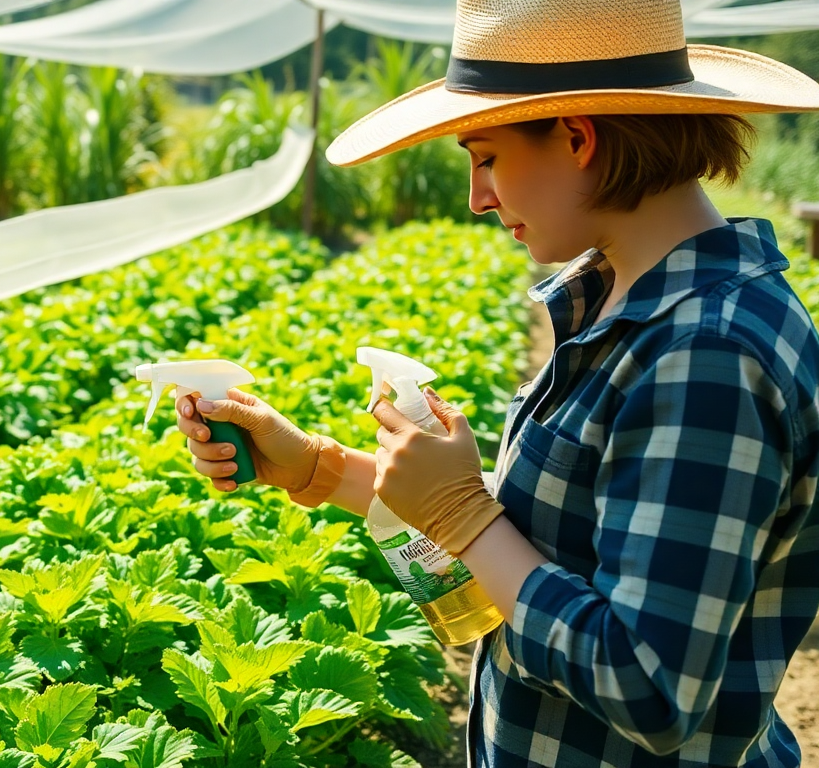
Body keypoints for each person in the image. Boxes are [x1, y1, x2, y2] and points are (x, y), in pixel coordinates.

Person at [174, 1, 819, 765]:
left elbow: (651, 686)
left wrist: (463, 513)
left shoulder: (706, 355)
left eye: (486, 156)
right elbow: (549, 541)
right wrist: (321, 469)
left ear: (577, 137)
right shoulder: (628, 302)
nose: (478, 196)